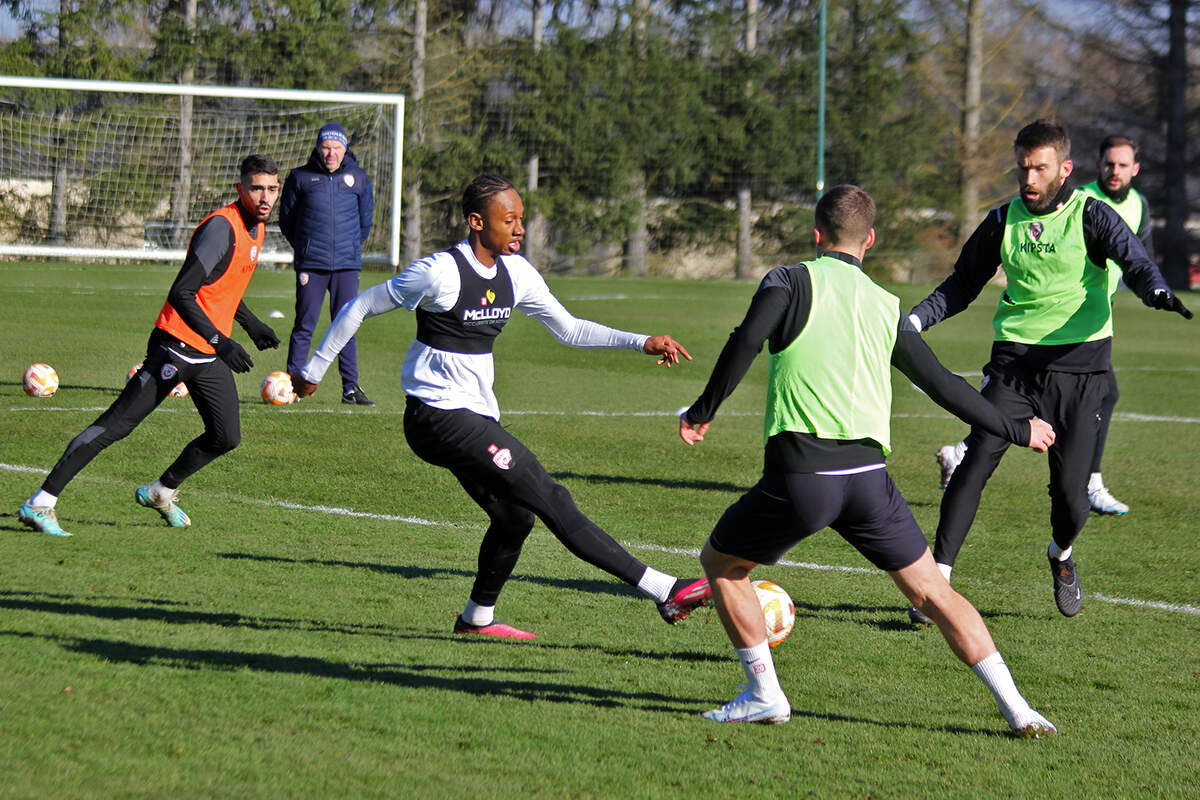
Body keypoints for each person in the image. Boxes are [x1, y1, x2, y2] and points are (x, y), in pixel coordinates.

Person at [677, 185, 1058, 737]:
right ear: (870, 240)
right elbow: (945, 387)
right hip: (869, 482)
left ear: (815, 234)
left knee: (722, 566)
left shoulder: (788, 280)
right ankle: (1019, 707)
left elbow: (745, 341)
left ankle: (764, 695)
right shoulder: (886, 306)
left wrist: (703, 409)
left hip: (803, 474)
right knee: (935, 592)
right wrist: (1017, 428)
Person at [291, 173, 710, 639]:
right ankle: (665, 589)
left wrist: (641, 342)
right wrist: (313, 372)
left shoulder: (518, 273)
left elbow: (569, 330)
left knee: (515, 519)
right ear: (476, 222)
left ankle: (475, 620)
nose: (519, 229)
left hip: (472, 416)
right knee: (551, 496)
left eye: (521, 220)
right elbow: (360, 305)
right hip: (436, 417)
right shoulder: (440, 272)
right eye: (508, 220)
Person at [906, 120, 1190, 625]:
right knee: (976, 460)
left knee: (1072, 502)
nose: (1029, 179)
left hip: (1082, 374)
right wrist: (916, 319)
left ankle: (1060, 555)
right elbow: (961, 284)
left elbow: (1136, 261)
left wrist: (1156, 291)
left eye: (1040, 168)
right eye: (1023, 168)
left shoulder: (1092, 216)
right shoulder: (1002, 220)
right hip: (1014, 366)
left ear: (1064, 169)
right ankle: (936, 585)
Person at [18, 155, 283, 537]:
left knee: (226, 436)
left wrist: (251, 323)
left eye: (272, 189)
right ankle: (40, 503)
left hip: (206, 355)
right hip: (175, 347)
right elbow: (183, 292)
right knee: (116, 425)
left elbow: (221, 286)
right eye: (256, 188)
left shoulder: (256, 229)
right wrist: (222, 343)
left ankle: (161, 492)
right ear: (240, 189)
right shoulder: (220, 229)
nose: (265, 197)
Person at [934, 134, 1155, 516]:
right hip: (1044, 333)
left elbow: (1135, 255)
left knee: (1091, 398)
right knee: (1084, 399)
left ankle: (964, 453)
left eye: (1122, 165)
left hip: (1086, 325)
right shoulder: (1077, 201)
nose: (1114, 171)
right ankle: (1089, 483)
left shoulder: (1139, 206)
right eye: (1108, 163)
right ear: (1094, 165)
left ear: (1135, 169)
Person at [280, 121, 376, 406]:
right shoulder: (299, 177)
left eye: (336, 148)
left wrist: (348, 248)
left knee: (346, 324)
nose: (330, 153)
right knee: (304, 324)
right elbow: (287, 221)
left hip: (347, 265)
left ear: (344, 149)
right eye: (325, 147)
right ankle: (292, 386)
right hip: (312, 264)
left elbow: (365, 222)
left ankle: (350, 388)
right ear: (318, 148)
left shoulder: (358, 177)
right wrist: (307, 248)